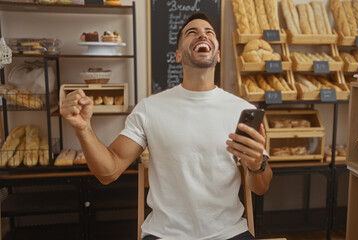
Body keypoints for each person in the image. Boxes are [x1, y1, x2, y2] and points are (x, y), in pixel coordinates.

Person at [60, 12, 272, 240]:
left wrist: (256, 165)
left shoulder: (241, 110)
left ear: (218, 54)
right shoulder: (150, 108)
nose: (203, 34)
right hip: (165, 235)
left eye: (209, 32)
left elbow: (261, 187)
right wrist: (83, 129)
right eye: (193, 32)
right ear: (178, 56)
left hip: (228, 233)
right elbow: (108, 172)